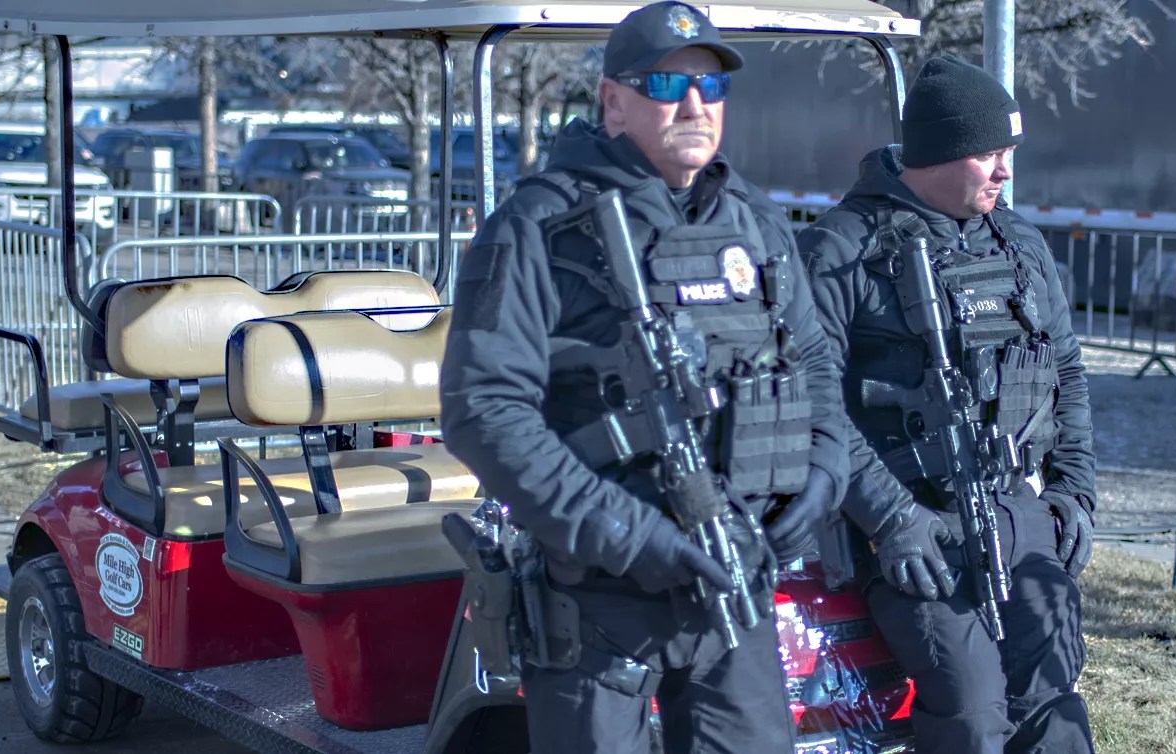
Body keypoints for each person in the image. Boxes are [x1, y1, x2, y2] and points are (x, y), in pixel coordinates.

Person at [440, 3, 850, 752]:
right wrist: (635, 537)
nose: (694, 105)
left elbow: (816, 364)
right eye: (667, 83)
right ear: (613, 100)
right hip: (600, 597)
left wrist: (822, 475)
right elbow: (482, 410)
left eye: (711, 88)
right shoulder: (535, 227)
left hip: (732, 580)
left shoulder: (754, 221)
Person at [798, 54, 1096, 754]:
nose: (1005, 172)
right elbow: (812, 404)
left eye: (1009, 154)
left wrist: (1075, 492)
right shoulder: (839, 250)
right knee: (970, 709)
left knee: (1052, 697)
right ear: (936, 152)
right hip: (911, 529)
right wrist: (892, 520)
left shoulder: (1018, 243)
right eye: (989, 154)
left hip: (1017, 512)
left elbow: (1069, 372)